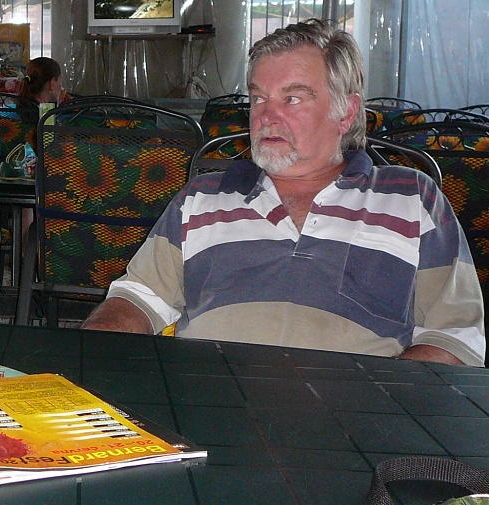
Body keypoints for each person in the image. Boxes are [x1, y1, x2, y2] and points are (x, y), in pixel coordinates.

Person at [83, 19, 486, 367]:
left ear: (346, 112)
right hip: (207, 401)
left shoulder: (410, 198)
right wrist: (87, 357)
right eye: (259, 98)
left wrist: (376, 400)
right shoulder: (202, 196)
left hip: (351, 412)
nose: (266, 116)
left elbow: (455, 336)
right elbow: (139, 299)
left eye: (292, 98)